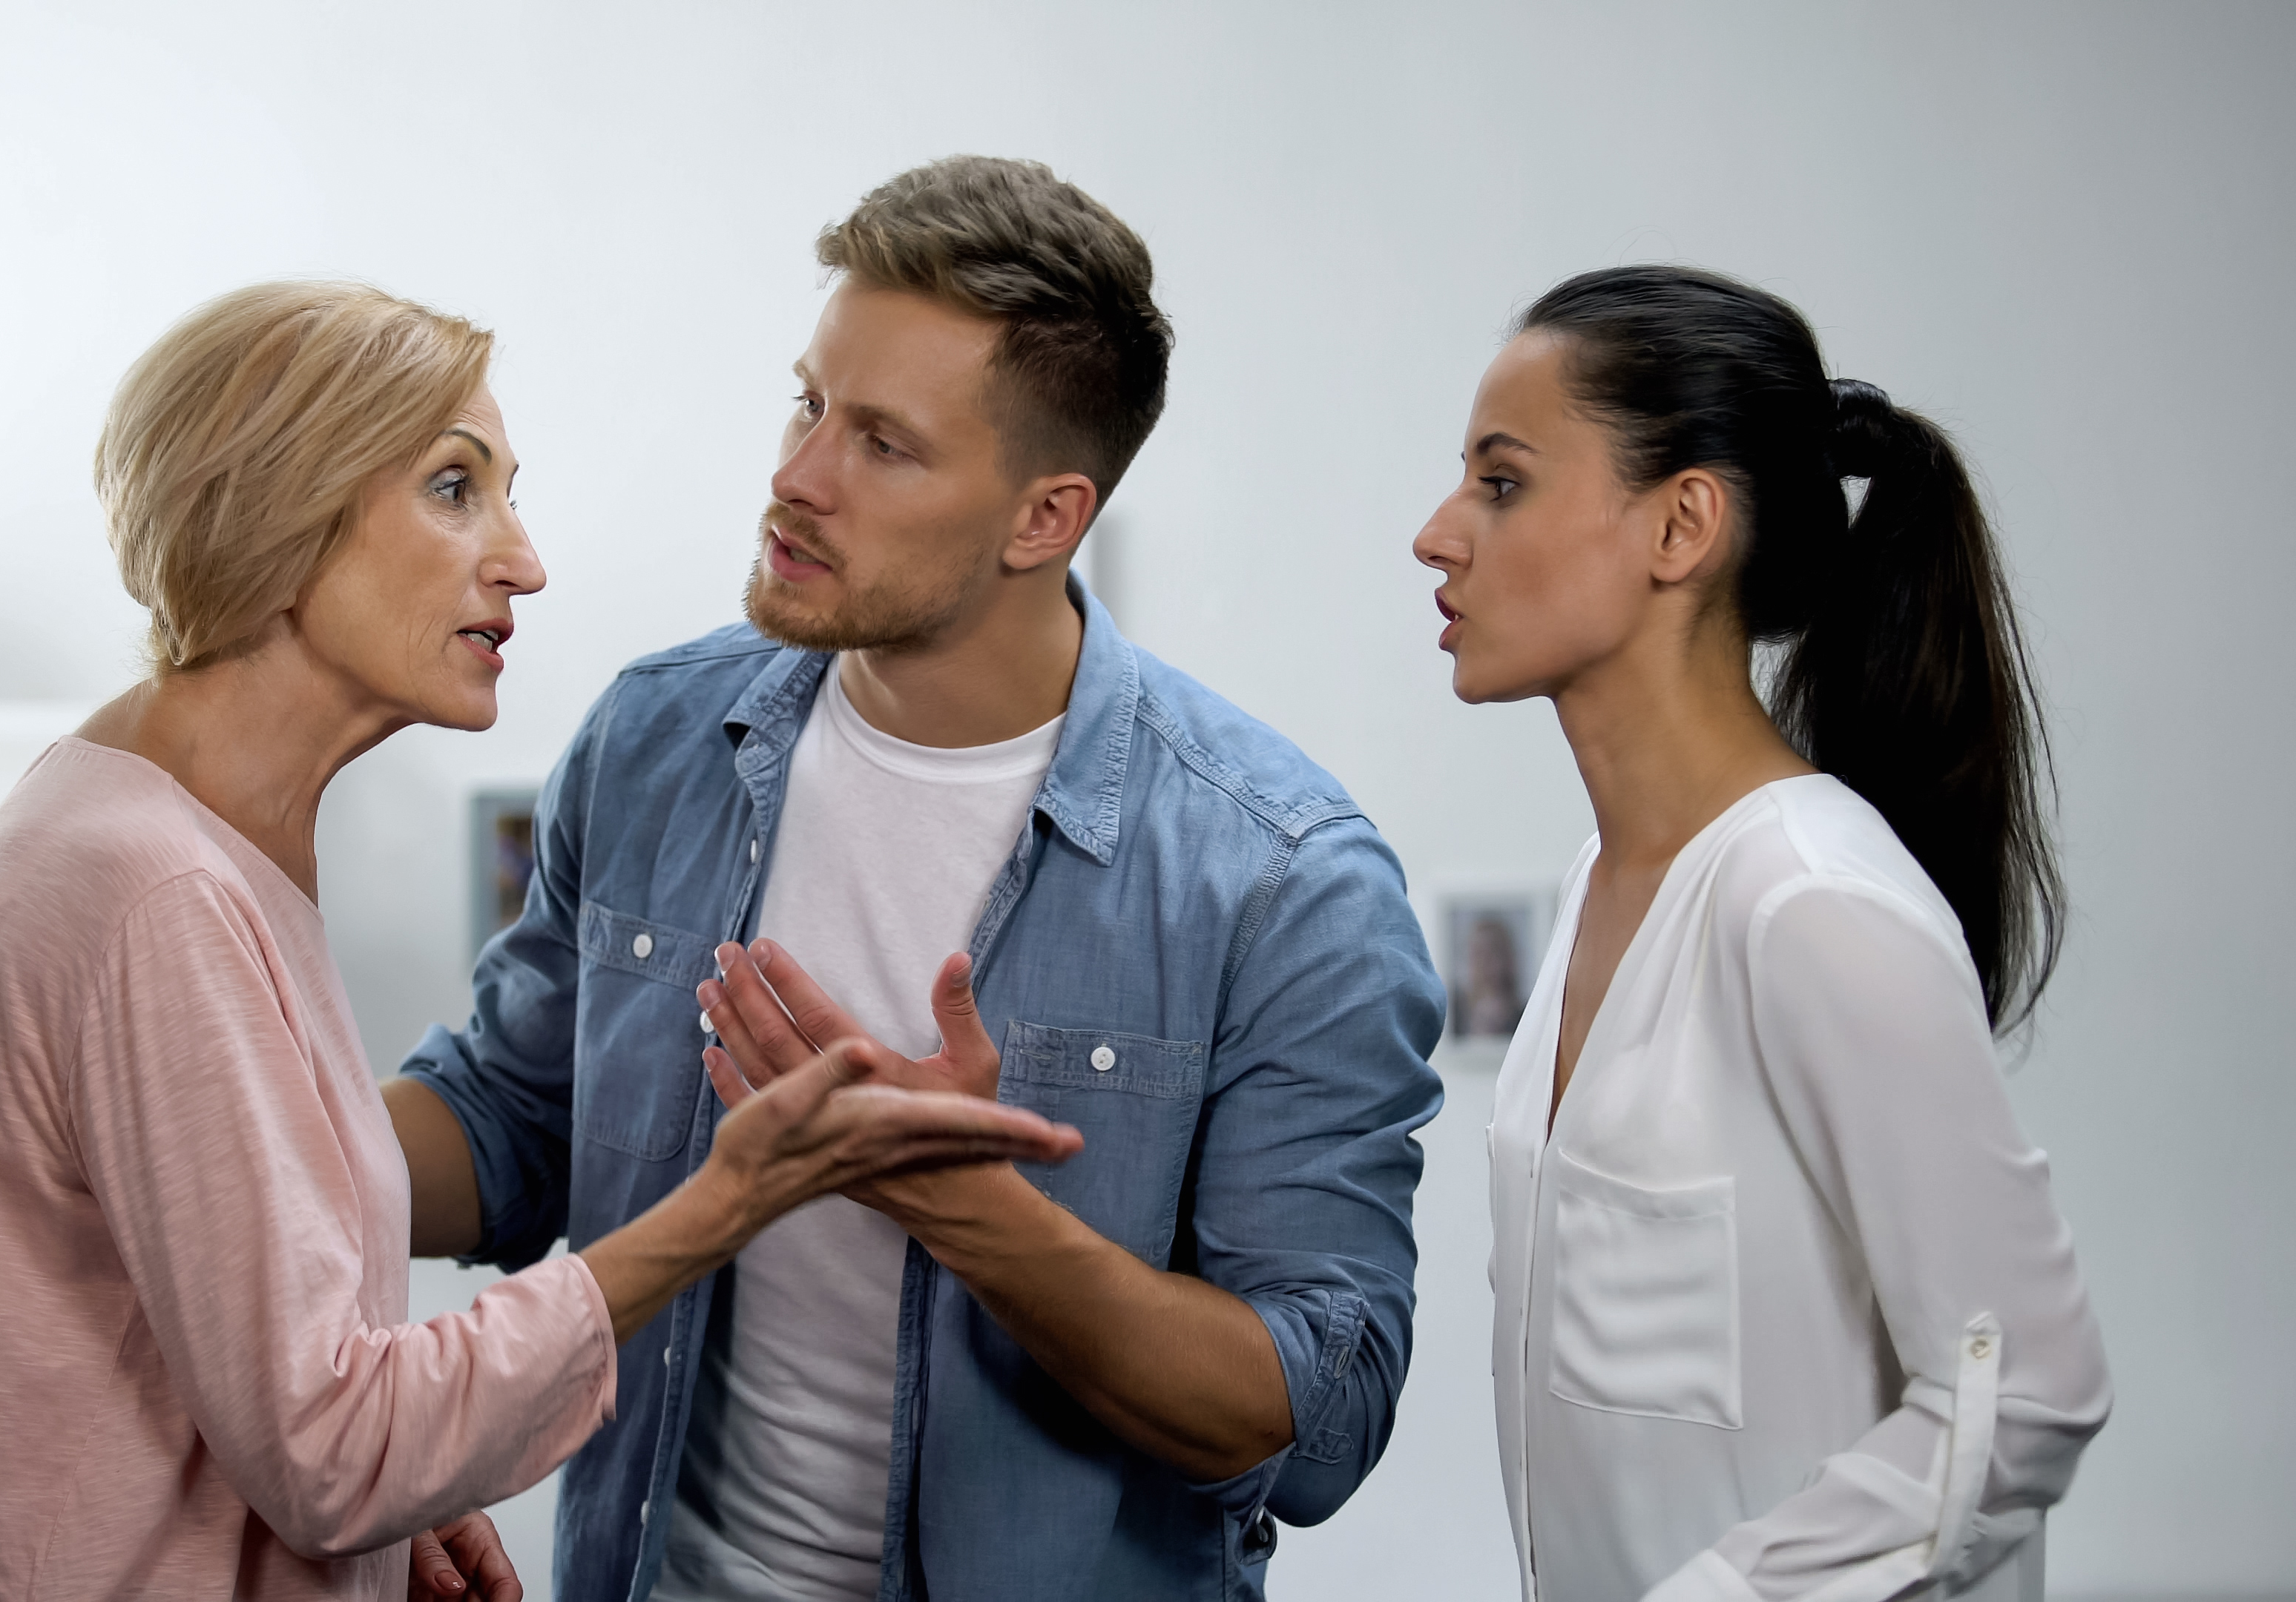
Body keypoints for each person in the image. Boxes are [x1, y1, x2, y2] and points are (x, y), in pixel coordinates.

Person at [0, 282, 1079, 1602]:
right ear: (278, 514)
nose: (523, 560)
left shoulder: (162, 832)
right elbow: (329, 1444)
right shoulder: (153, 896)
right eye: (451, 487)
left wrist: (382, 1515)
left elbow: (211, 1337)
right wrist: (735, 1193)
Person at [388, 157, 1444, 1602]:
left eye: (884, 444)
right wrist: (224, 1140)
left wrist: (969, 1210)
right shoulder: (657, 739)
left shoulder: (1285, 884)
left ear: (1044, 518)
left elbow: (1317, 1423)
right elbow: (512, 1123)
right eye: (811, 402)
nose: (797, 475)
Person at [1413, 264, 2111, 1601]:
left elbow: (2028, 1389)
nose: (1439, 534)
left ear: (1682, 527)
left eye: (1501, 484)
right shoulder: (1604, 887)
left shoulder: (1813, 905)